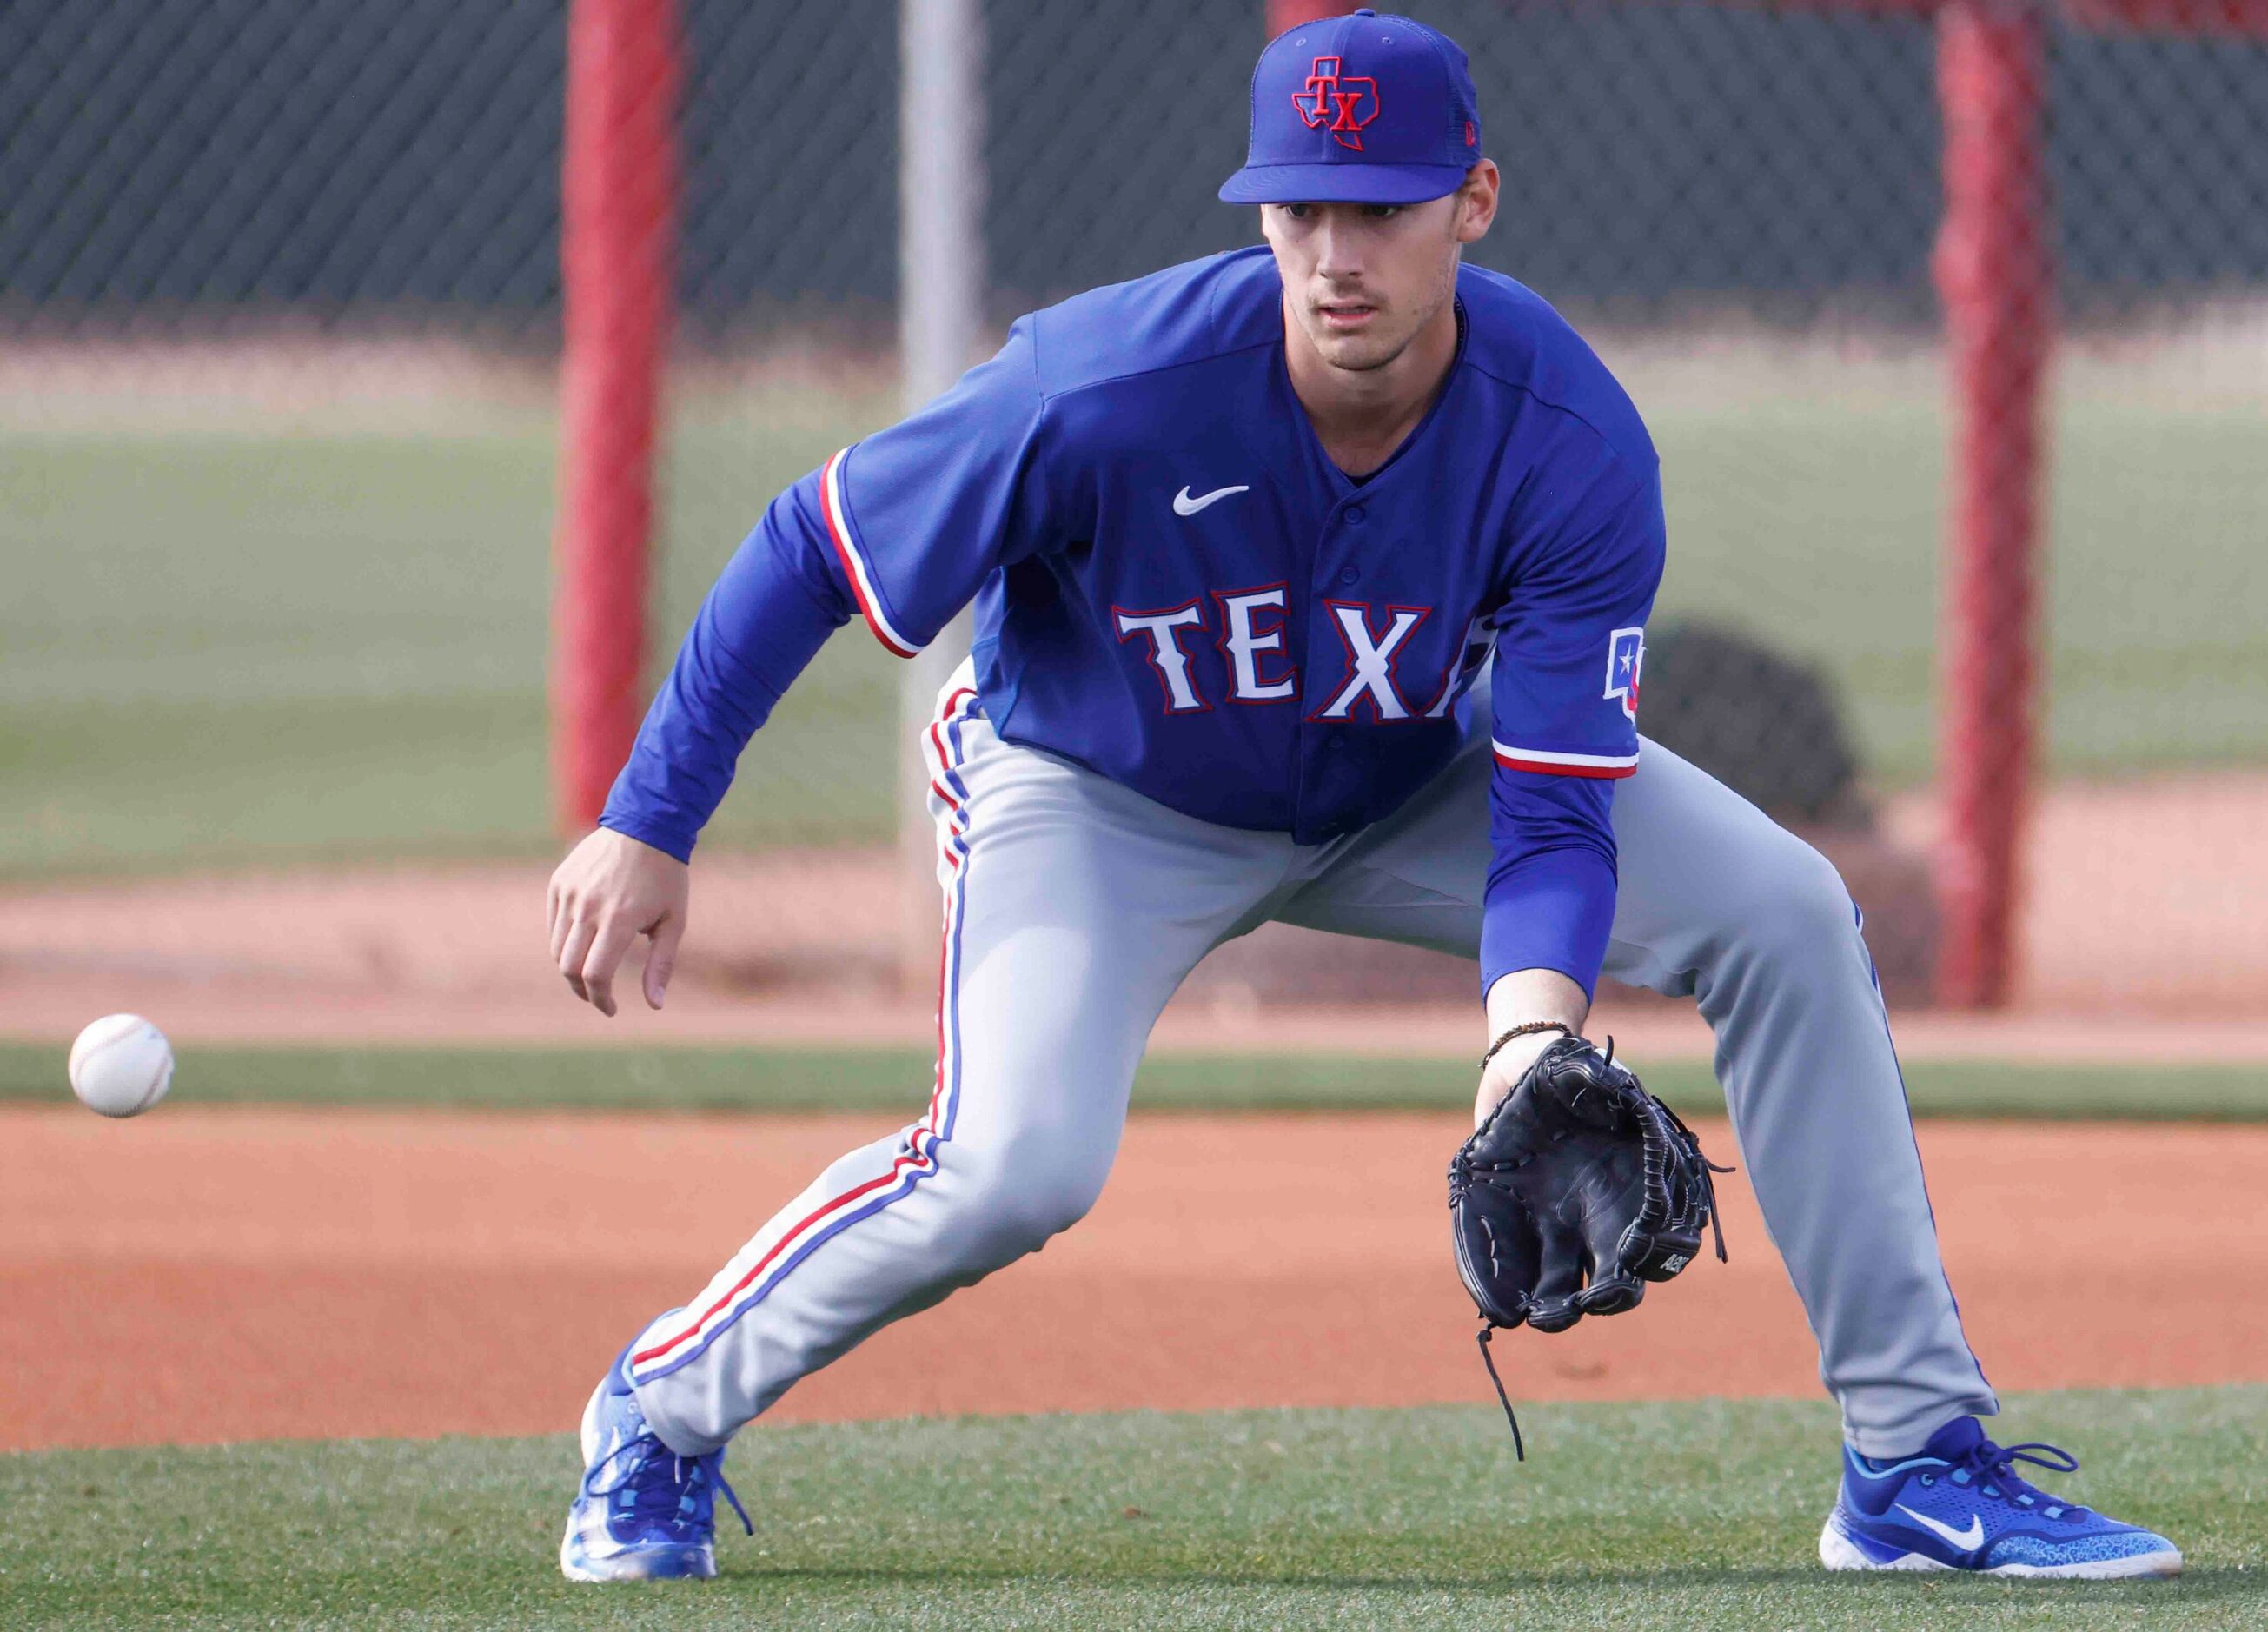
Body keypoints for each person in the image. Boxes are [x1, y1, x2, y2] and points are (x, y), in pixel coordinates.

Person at [548, 9, 2180, 1584]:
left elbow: (1553, 808)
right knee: (1016, 1163)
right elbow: (807, 549)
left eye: (1381, 209)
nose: (1334, 252)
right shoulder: (1102, 384)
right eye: (1298, 207)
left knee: (1783, 912)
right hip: (1095, 788)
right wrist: (651, 813)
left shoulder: (1567, 443)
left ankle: (1912, 1466)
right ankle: (657, 1411)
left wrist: (1525, 1043)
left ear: (1471, 203)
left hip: (1405, 772)